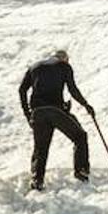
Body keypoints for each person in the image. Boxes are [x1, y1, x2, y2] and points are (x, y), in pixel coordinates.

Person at [19, 49, 93, 190]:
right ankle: (81, 171)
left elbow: (22, 90)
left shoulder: (34, 67)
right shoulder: (64, 66)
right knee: (80, 136)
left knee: (41, 148)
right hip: (55, 110)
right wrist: (85, 105)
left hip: (38, 112)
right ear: (64, 59)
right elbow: (72, 89)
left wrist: (28, 114)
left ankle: (37, 180)